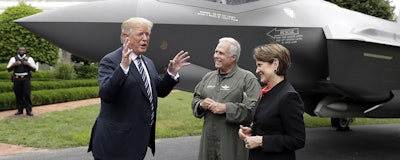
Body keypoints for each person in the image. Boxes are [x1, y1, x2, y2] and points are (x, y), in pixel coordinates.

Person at [87, 17, 190, 160]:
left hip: (137, 141)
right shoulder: (110, 60)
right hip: (115, 143)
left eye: (147, 34)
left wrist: (171, 73)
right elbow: (106, 94)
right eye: (140, 34)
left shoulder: (148, 62)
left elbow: (159, 91)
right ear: (125, 37)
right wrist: (123, 67)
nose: (145, 38)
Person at [192, 37, 261, 160]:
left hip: (233, 144)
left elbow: (255, 111)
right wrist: (201, 104)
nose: (216, 56)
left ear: (233, 57)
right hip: (208, 144)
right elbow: (196, 99)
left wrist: (226, 108)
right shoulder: (208, 77)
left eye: (221, 53)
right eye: (216, 52)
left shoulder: (247, 79)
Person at [238, 43, 305, 160]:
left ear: (275, 64)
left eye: (260, 65)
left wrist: (261, 141)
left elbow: (297, 140)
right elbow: (272, 126)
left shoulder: (288, 96)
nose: (257, 70)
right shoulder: (267, 91)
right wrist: (252, 132)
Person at [6, 46, 37, 116]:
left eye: (23, 50)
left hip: (25, 79)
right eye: (20, 50)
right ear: (18, 51)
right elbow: (8, 69)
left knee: (26, 94)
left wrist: (28, 64)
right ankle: (20, 110)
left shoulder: (29, 59)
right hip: (17, 78)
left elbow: (34, 70)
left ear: (25, 51)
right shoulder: (14, 59)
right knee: (18, 94)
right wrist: (14, 64)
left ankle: (29, 110)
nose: (21, 51)